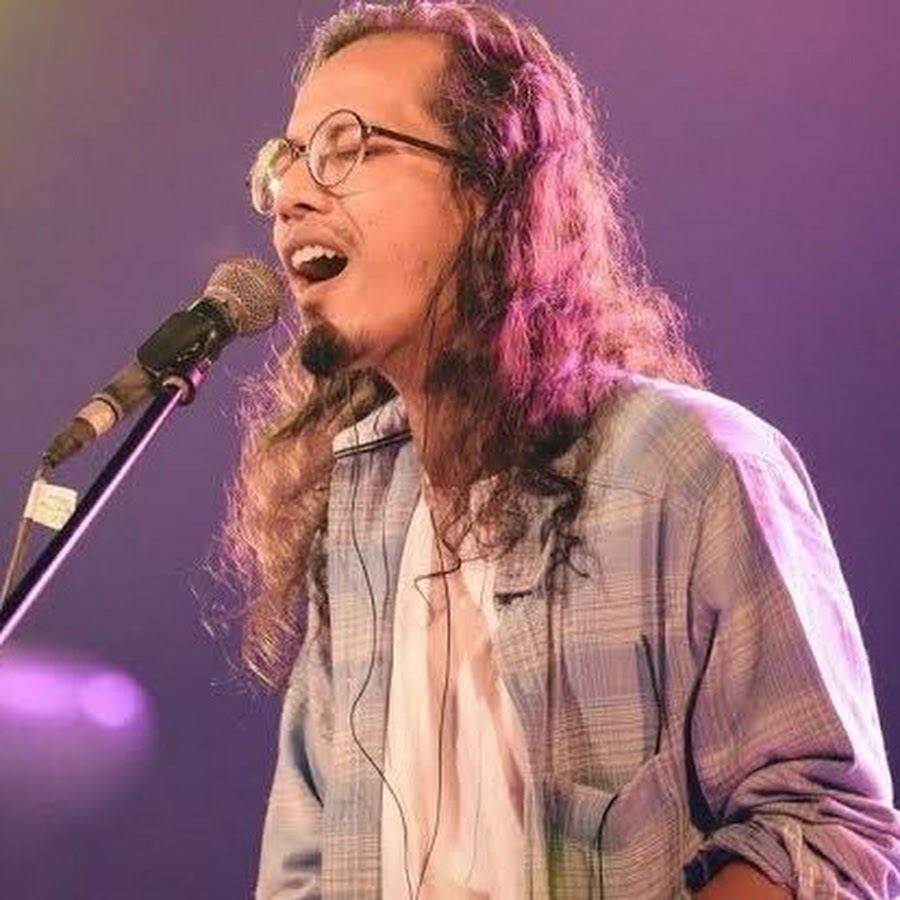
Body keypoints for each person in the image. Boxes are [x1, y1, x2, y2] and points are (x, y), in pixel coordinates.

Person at [221, 1, 900, 896]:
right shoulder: (356, 518)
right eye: (286, 160)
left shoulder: (686, 467)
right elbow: (300, 874)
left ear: (489, 189)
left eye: (348, 147)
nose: (293, 195)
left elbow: (825, 833)